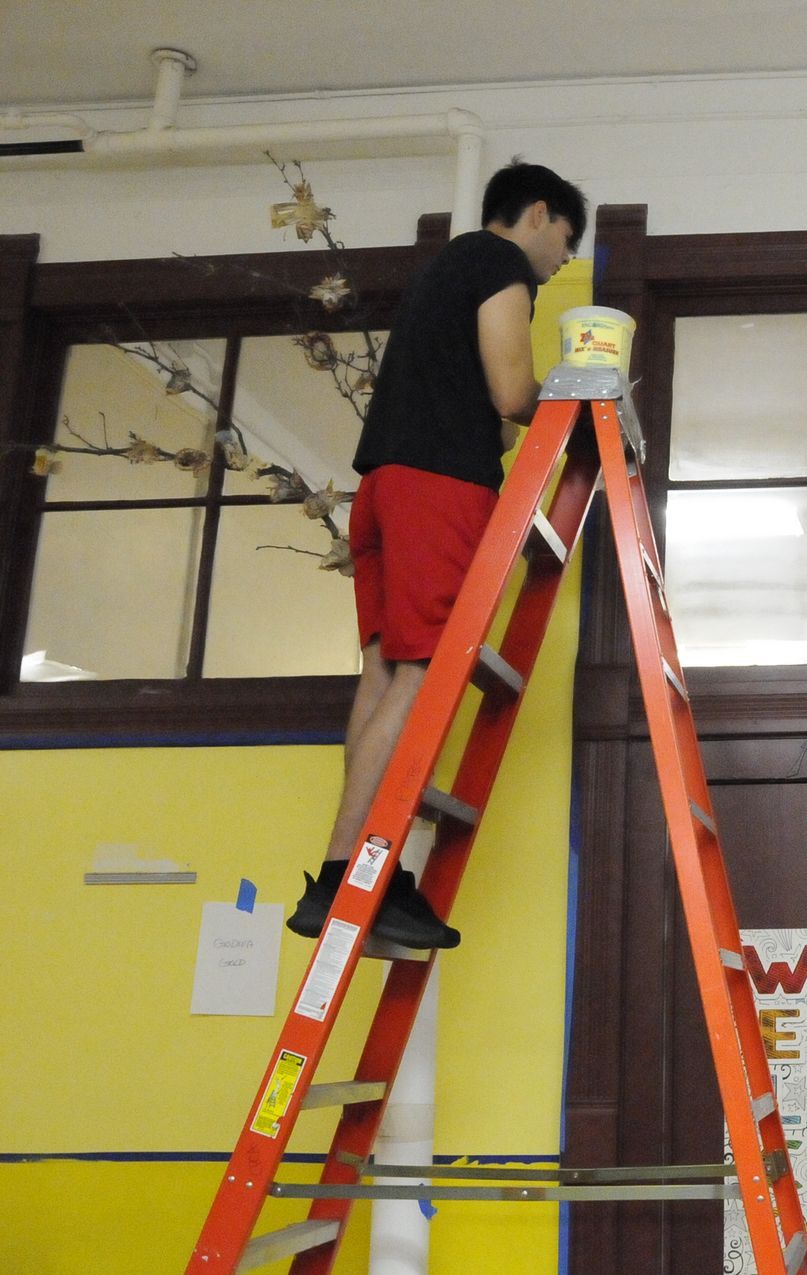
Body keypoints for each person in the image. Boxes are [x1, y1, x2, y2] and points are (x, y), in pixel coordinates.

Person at [288, 161, 588, 949]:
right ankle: (358, 874)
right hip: (437, 487)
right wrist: (573, 403)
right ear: (536, 212)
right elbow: (511, 391)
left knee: (386, 669)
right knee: (425, 674)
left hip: (383, 484)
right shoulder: (497, 262)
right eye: (565, 238)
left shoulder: (439, 273)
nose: (562, 259)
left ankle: (343, 876)